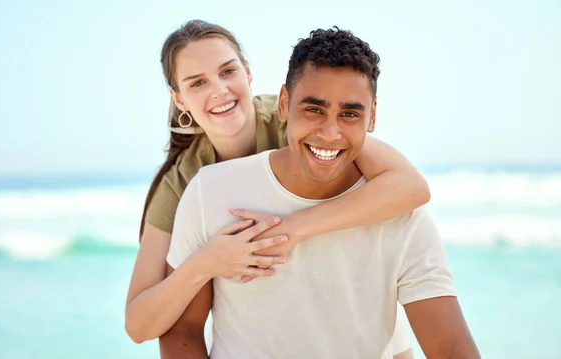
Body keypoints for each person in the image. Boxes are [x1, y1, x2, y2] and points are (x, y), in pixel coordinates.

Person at [159, 26, 480, 358]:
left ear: (372, 119)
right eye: (314, 109)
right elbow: (180, 330)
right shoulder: (210, 192)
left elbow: (451, 347)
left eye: (350, 114)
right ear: (284, 104)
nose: (330, 133)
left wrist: (293, 228)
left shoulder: (402, 212)